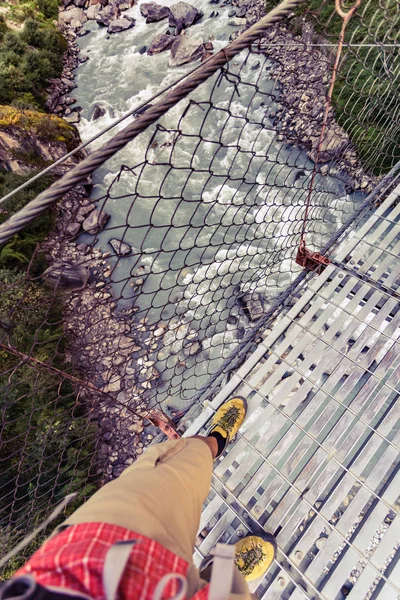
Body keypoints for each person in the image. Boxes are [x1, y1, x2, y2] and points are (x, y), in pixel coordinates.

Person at [1, 397, 276, 600]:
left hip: (86, 559)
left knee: (189, 457)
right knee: (233, 591)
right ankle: (225, 572)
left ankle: (217, 440)